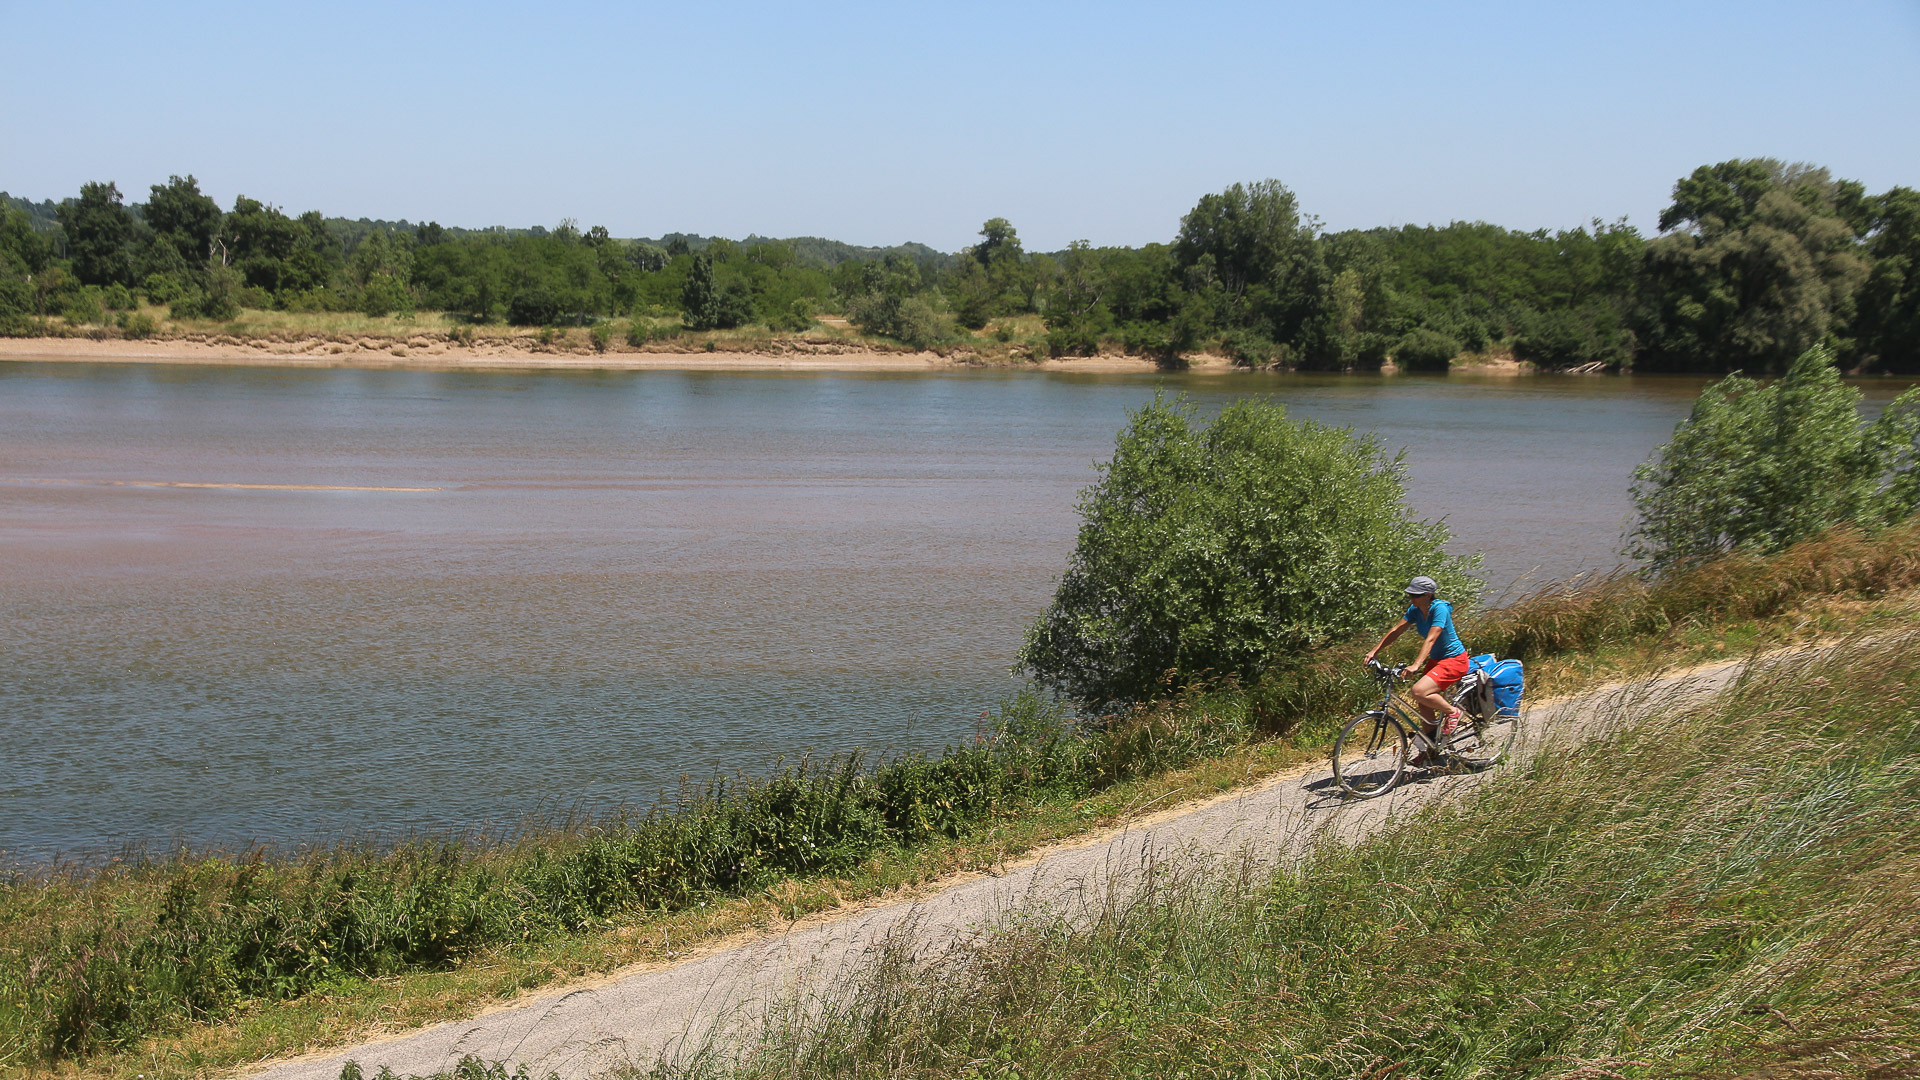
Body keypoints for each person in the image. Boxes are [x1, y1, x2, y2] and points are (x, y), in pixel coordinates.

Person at [1363, 575, 1471, 764]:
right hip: (1437, 661)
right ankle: (1432, 749)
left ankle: (1453, 712)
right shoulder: (1415, 609)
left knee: (1419, 691)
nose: (1412, 598)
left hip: (1454, 660)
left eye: (1416, 595)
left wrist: (1416, 665)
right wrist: (1375, 650)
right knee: (1424, 703)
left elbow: (1431, 638)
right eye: (1410, 594)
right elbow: (1396, 630)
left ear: (1428, 595)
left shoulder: (1440, 609)